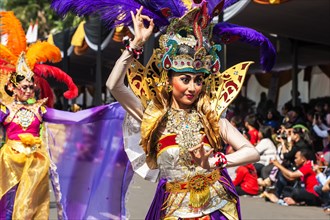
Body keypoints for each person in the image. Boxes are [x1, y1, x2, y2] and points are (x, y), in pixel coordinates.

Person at [103, 2, 276, 219]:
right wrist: (136, 45)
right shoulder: (154, 116)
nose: (192, 88)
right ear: (169, 79)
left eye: (198, 80)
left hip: (215, 207)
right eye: (185, 79)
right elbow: (114, 86)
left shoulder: (211, 116)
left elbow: (252, 152)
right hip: (174, 209)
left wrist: (214, 162)